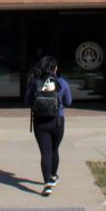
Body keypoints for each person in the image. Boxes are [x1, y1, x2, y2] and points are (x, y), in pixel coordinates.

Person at [24, 55, 72, 196]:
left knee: (45, 153)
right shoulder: (62, 82)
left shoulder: (35, 82)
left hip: (40, 122)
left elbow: (27, 102)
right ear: (55, 68)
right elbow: (68, 102)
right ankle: (53, 176)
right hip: (58, 121)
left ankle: (47, 185)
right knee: (54, 150)